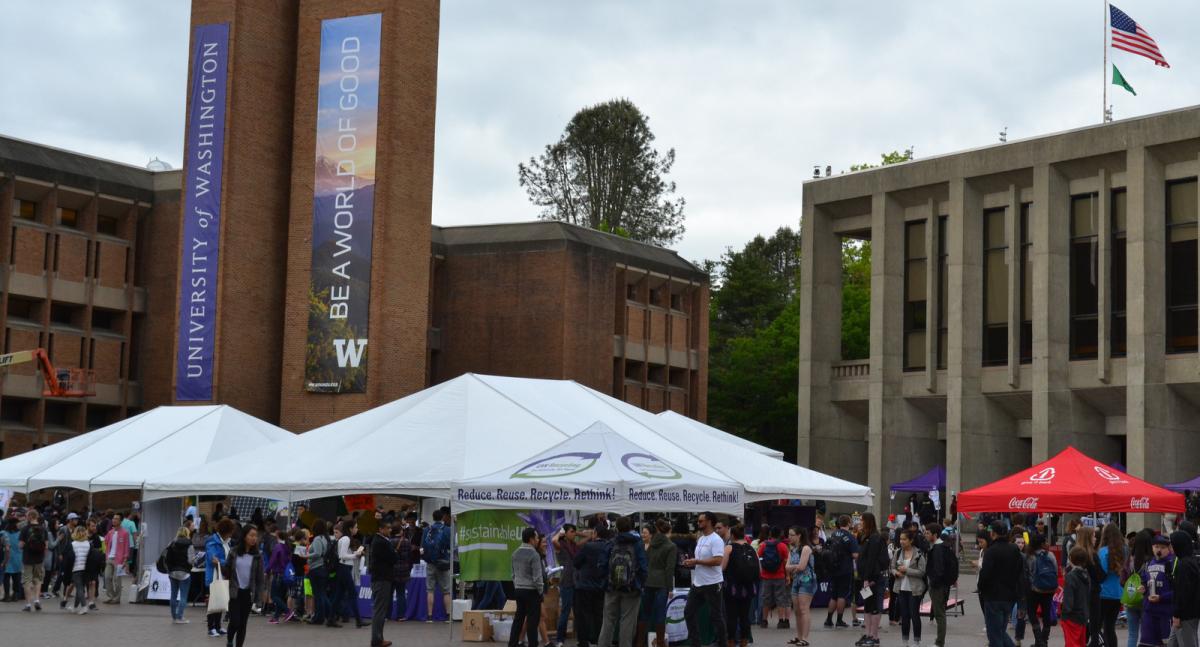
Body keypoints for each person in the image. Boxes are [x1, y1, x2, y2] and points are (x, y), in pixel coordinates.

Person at [596, 517, 648, 647]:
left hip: (611, 587)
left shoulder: (611, 542)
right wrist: (640, 584)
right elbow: (643, 567)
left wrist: (605, 582)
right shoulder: (637, 543)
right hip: (632, 588)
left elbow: (601, 564)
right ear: (632, 527)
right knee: (627, 622)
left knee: (608, 621)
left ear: (617, 528)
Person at [683, 511, 727, 647]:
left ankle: (722, 643)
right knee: (688, 612)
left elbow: (718, 560)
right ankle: (696, 643)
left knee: (716, 616)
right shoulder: (701, 539)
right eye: (698, 521)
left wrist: (697, 562)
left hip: (712, 583)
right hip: (698, 583)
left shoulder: (716, 539)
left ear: (709, 522)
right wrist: (691, 562)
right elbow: (701, 559)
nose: (698, 523)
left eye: (701, 521)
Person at [979, 521, 1023, 647]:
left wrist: (981, 589)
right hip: (1009, 596)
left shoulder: (991, 551)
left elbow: (985, 574)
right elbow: (1019, 571)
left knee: (995, 634)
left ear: (993, 533)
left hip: (993, 596)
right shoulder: (1014, 549)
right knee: (999, 631)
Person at [222, 525, 262, 647]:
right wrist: (218, 564)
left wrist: (258, 599)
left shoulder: (257, 556)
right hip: (234, 591)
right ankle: (229, 640)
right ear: (244, 536)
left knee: (243, 623)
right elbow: (227, 571)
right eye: (251, 535)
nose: (254, 538)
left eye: (255, 536)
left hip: (248, 593)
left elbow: (260, 578)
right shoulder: (234, 552)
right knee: (235, 621)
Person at [639, 518, 677, 647]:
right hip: (662, 583)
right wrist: (670, 588)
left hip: (648, 581)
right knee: (660, 614)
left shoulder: (651, 544)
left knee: (644, 614)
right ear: (669, 531)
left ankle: (639, 642)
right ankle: (660, 643)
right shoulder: (671, 546)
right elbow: (669, 569)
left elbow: (646, 561)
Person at [575, 523, 611, 647]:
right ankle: (598, 639)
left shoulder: (588, 546)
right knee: (599, 614)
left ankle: (583, 641)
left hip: (585, 585)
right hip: (601, 585)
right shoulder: (608, 546)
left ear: (595, 534)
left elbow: (577, 562)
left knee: (584, 615)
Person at [722, 523, 758, 647]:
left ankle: (731, 642)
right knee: (745, 616)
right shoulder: (751, 548)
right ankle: (744, 642)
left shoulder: (729, 548)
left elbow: (722, 567)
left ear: (732, 535)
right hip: (748, 588)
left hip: (732, 588)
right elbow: (759, 569)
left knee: (731, 616)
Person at [856, 513, 888, 647]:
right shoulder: (866, 537)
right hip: (866, 577)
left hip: (873, 579)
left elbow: (872, 559)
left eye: (861, 521)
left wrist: (868, 578)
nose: (859, 523)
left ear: (867, 522)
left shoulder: (875, 538)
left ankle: (874, 636)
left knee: (874, 606)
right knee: (868, 605)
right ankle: (869, 634)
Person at [890, 529, 926, 647]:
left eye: (904, 539)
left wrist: (907, 570)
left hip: (914, 589)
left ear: (911, 540)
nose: (901, 541)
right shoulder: (898, 552)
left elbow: (922, 572)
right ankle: (905, 641)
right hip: (901, 588)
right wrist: (896, 573)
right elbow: (892, 567)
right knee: (904, 616)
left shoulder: (918, 554)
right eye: (900, 539)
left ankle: (917, 641)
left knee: (914, 615)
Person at [824, 514, 860, 629]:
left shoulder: (833, 534)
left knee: (834, 595)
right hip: (845, 569)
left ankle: (828, 619)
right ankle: (839, 620)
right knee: (842, 595)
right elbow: (855, 555)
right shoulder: (850, 537)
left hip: (833, 568)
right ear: (849, 523)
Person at [1139, 535, 1177, 647]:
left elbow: (1177, 591)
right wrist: (1143, 588)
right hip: (1149, 612)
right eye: (1156, 547)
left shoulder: (1172, 563)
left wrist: (1161, 597)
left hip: (1165, 613)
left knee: (1165, 643)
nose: (1159, 550)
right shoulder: (1149, 563)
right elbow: (1144, 581)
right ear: (1152, 548)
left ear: (1168, 548)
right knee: (1146, 643)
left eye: (1162, 547)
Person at [510, 528, 544, 647]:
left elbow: (513, 574)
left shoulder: (515, 553)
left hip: (519, 589)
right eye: (536, 537)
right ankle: (532, 644)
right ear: (531, 539)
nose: (538, 540)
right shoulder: (534, 554)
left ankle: (512, 644)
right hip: (532, 591)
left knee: (518, 619)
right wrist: (541, 592)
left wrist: (517, 586)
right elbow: (537, 578)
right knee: (532, 622)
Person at [1024, 533, 1058, 647]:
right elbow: (1056, 572)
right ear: (1042, 544)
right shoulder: (1051, 555)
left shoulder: (1029, 556)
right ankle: (1045, 641)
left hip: (1035, 590)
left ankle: (1039, 641)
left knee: (1032, 613)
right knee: (1046, 614)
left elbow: (1028, 574)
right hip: (1049, 589)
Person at [1168, 530, 1200, 647]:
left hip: (1185, 615)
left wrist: (1177, 614)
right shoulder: (1189, 561)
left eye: (1172, 544)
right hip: (1188, 613)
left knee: (1187, 642)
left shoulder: (1184, 564)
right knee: (1173, 642)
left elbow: (1183, 592)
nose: (1170, 547)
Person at [1097, 523, 1127, 647]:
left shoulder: (1102, 552)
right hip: (1118, 593)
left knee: (1097, 626)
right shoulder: (1124, 550)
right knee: (1110, 627)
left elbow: (1101, 573)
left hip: (1103, 592)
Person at [367, 520, 396, 647]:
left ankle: (379, 638)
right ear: (381, 529)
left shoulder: (380, 541)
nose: (390, 530)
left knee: (380, 609)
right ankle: (377, 639)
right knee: (379, 610)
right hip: (382, 579)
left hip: (381, 579)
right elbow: (393, 558)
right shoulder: (381, 542)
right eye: (388, 528)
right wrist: (395, 553)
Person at [787, 526, 816, 647]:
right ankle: (799, 637)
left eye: (791, 535)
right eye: (789, 534)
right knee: (797, 610)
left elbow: (802, 567)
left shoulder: (806, 548)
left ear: (799, 535)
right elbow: (786, 567)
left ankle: (805, 638)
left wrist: (793, 567)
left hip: (807, 580)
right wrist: (795, 567)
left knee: (804, 609)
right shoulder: (792, 549)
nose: (789, 537)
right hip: (796, 581)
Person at [206, 517, 236, 637]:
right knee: (213, 602)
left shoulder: (226, 542)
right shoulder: (212, 541)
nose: (231, 534)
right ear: (225, 532)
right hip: (214, 575)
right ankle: (211, 627)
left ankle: (217, 626)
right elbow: (213, 559)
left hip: (222, 575)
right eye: (230, 532)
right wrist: (228, 563)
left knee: (221, 601)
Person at [422, 509, 453, 623]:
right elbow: (451, 545)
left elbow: (422, 547)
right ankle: (448, 616)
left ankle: (430, 616)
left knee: (430, 590)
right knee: (446, 591)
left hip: (430, 563)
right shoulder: (448, 530)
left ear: (433, 517)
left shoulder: (427, 530)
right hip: (443, 563)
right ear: (442, 517)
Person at [757, 525, 790, 630]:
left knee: (765, 599)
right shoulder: (783, 546)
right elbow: (786, 562)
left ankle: (764, 621)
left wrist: (761, 571)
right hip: (779, 576)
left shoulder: (763, 545)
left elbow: (758, 558)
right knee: (780, 598)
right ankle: (781, 621)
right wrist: (788, 576)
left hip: (766, 576)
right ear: (780, 534)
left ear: (770, 534)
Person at [335, 520, 367, 627]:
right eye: (356, 527)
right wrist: (356, 555)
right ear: (350, 528)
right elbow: (342, 555)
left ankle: (331, 618)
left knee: (339, 595)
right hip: (344, 568)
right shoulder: (346, 539)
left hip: (343, 568)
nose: (357, 529)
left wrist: (355, 553)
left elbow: (343, 554)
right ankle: (358, 620)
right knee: (352, 593)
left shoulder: (345, 539)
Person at [306, 519, 337, 627]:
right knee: (322, 594)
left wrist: (306, 556)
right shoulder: (325, 538)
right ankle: (328, 616)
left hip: (316, 568)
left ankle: (320, 617)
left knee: (319, 595)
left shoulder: (318, 539)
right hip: (323, 569)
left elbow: (318, 553)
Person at [554, 523, 579, 647]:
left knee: (578, 611)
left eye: (575, 532)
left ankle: (580, 638)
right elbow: (553, 540)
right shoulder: (561, 546)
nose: (574, 534)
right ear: (565, 533)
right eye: (572, 531)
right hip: (566, 582)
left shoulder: (574, 545)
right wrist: (561, 532)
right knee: (565, 610)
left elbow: (589, 537)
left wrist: (577, 533)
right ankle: (560, 639)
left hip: (576, 581)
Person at [1061, 546, 1092, 647]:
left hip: (1072, 616)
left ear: (1070, 558)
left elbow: (1068, 599)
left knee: (1071, 643)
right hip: (1083, 615)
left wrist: (1065, 613)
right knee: (1080, 643)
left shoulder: (1071, 576)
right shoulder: (1086, 575)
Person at [165, 526, 196, 624]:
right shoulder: (190, 544)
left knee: (173, 595)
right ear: (187, 533)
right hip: (185, 573)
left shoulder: (172, 543)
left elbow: (166, 557)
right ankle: (179, 617)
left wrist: (169, 569)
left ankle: (174, 617)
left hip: (173, 572)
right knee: (183, 596)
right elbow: (191, 560)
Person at [18, 509, 46, 612]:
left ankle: (28, 604)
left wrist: (24, 545)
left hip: (27, 558)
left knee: (27, 581)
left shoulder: (25, 529)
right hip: (39, 558)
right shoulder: (43, 529)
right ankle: (37, 600)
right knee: (38, 580)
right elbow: (46, 545)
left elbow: (20, 545)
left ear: (30, 517)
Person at [101, 512, 131, 604]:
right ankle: (111, 596)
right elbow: (105, 542)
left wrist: (125, 559)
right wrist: (106, 555)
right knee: (107, 577)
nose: (114, 520)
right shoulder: (110, 532)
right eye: (113, 518)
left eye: (116, 519)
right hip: (110, 558)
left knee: (117, 580)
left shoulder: (125, 533)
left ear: (121, 521)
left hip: (120, 559)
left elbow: (127, 546)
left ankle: (117, 598)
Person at [266, 530, 291, 624]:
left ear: (278, 537)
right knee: (280, 596)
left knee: (274, 596)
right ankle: (276, 617)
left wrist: (267, 570)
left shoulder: (278, 546)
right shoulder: (287, 546)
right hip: (285, 574)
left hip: (278, 573)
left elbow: (272, 560)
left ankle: (287, 611)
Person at [68, 525, 91, 614]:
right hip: (86, 569)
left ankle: (84, 607)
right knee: (80, 588)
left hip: (76, 568)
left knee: (79, 588)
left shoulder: (73, 544)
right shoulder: (88, 544)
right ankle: (74, 607)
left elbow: (70, 558)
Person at [3, 516, 23, 602]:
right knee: (17, 577)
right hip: (18, 557)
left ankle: (6, 595)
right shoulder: (20, 534)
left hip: (6, 557)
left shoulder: (3, 533)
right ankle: (15, 595)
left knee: (6, 577)